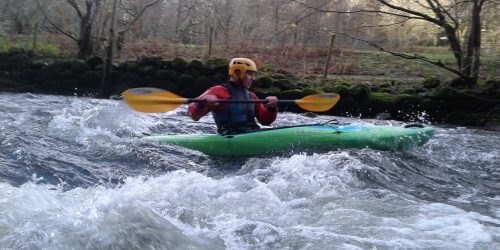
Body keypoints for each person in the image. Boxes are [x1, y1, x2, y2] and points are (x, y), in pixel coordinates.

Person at [188, 58, 278, 134]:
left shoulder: (251, 96)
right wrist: (203, 103)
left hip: (252, 133)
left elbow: (266, 122)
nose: (253, 78)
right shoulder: (218, 91)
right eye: (250, 74)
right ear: (237, 73)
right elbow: (192, 114)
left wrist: (271, 108)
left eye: (253, 74)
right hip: (229, 137)